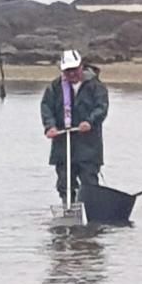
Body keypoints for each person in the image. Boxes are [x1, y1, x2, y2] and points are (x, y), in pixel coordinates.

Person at [40, 50, 109, 204]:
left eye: (74, 69)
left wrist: (90, 122)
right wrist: (49, 126)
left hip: (89, 144)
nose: (71, 74)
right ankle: (68, 207)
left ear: (81, 67)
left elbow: (102, 107)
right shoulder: (55, 87)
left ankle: (91, 209)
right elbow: (46, 107)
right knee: (64, 182)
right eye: (67, 71)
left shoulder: (95, 86)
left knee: (89, 181)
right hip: (62, 142)